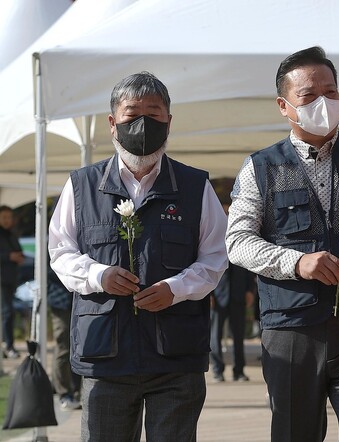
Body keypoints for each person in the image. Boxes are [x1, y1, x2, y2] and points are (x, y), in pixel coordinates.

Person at [225, 46, 339, 441]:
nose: (323, 103)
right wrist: (296, 262)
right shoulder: (260, 167)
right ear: (284, 105)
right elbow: (238, 241)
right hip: (292, 329)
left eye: (331, 92)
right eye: (309, 96)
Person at [48, 72, 228, 441]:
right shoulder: (82, 186)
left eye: (154, 113)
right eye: (132, 115)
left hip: (175, 354)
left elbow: (216, 256)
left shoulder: (195, 186)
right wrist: (98, 275)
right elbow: (60, 250)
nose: (142, 124)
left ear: (168, 122)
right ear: (112, 123)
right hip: (106, 357)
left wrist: (176, 288)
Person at [210, 259, 255, 382]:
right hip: (218, 296)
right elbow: (209, 266)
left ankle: (239, 371)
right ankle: (217, 371)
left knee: (239, 336)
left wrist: (250, 290)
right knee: (215, 335)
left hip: (238, 294)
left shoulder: (241, 240)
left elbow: (249, 265)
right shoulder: (215, 240)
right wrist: (209, 293)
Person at [47, 259, 82, 411]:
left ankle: (75, 392)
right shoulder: (51, 242)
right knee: (64, 347)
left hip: (77, 298)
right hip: (60, 300)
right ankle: (64, 394)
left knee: (78, 347)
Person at [0, 205, 24, 359]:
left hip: (10, 279)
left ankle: (8, 345)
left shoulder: (11, 234)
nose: (8, 220)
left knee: (9, 313)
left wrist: (18, 257)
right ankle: (8, 346)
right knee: (7, 313)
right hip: (1, 280)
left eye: (9, 217)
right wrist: (9, 256)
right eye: (4, 217)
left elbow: (18, 251)